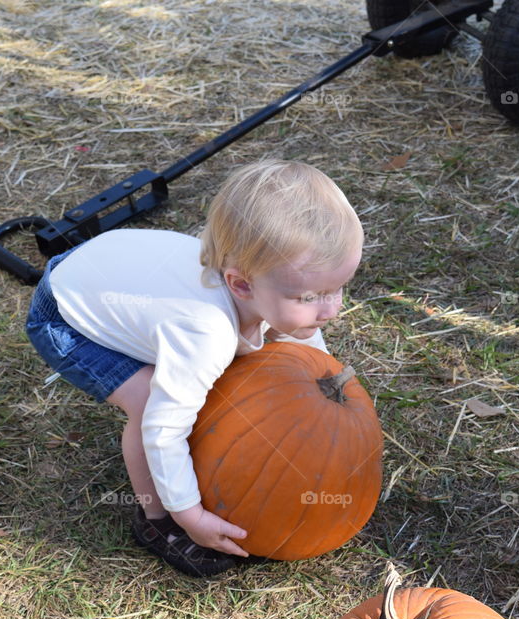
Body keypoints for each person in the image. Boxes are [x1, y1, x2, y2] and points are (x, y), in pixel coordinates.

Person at [25, 159, 364, 577]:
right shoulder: (206, 334)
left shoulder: (255, 280)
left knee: (205, 376)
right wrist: (191, 516)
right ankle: (157, 522)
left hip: (110, 271)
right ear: (241, 285)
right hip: (63, 312)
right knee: (151, 401)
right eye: (313, 297)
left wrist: (325, 383)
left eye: (338, 289)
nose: (332, 309)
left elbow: (304, 340)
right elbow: (164, 431)